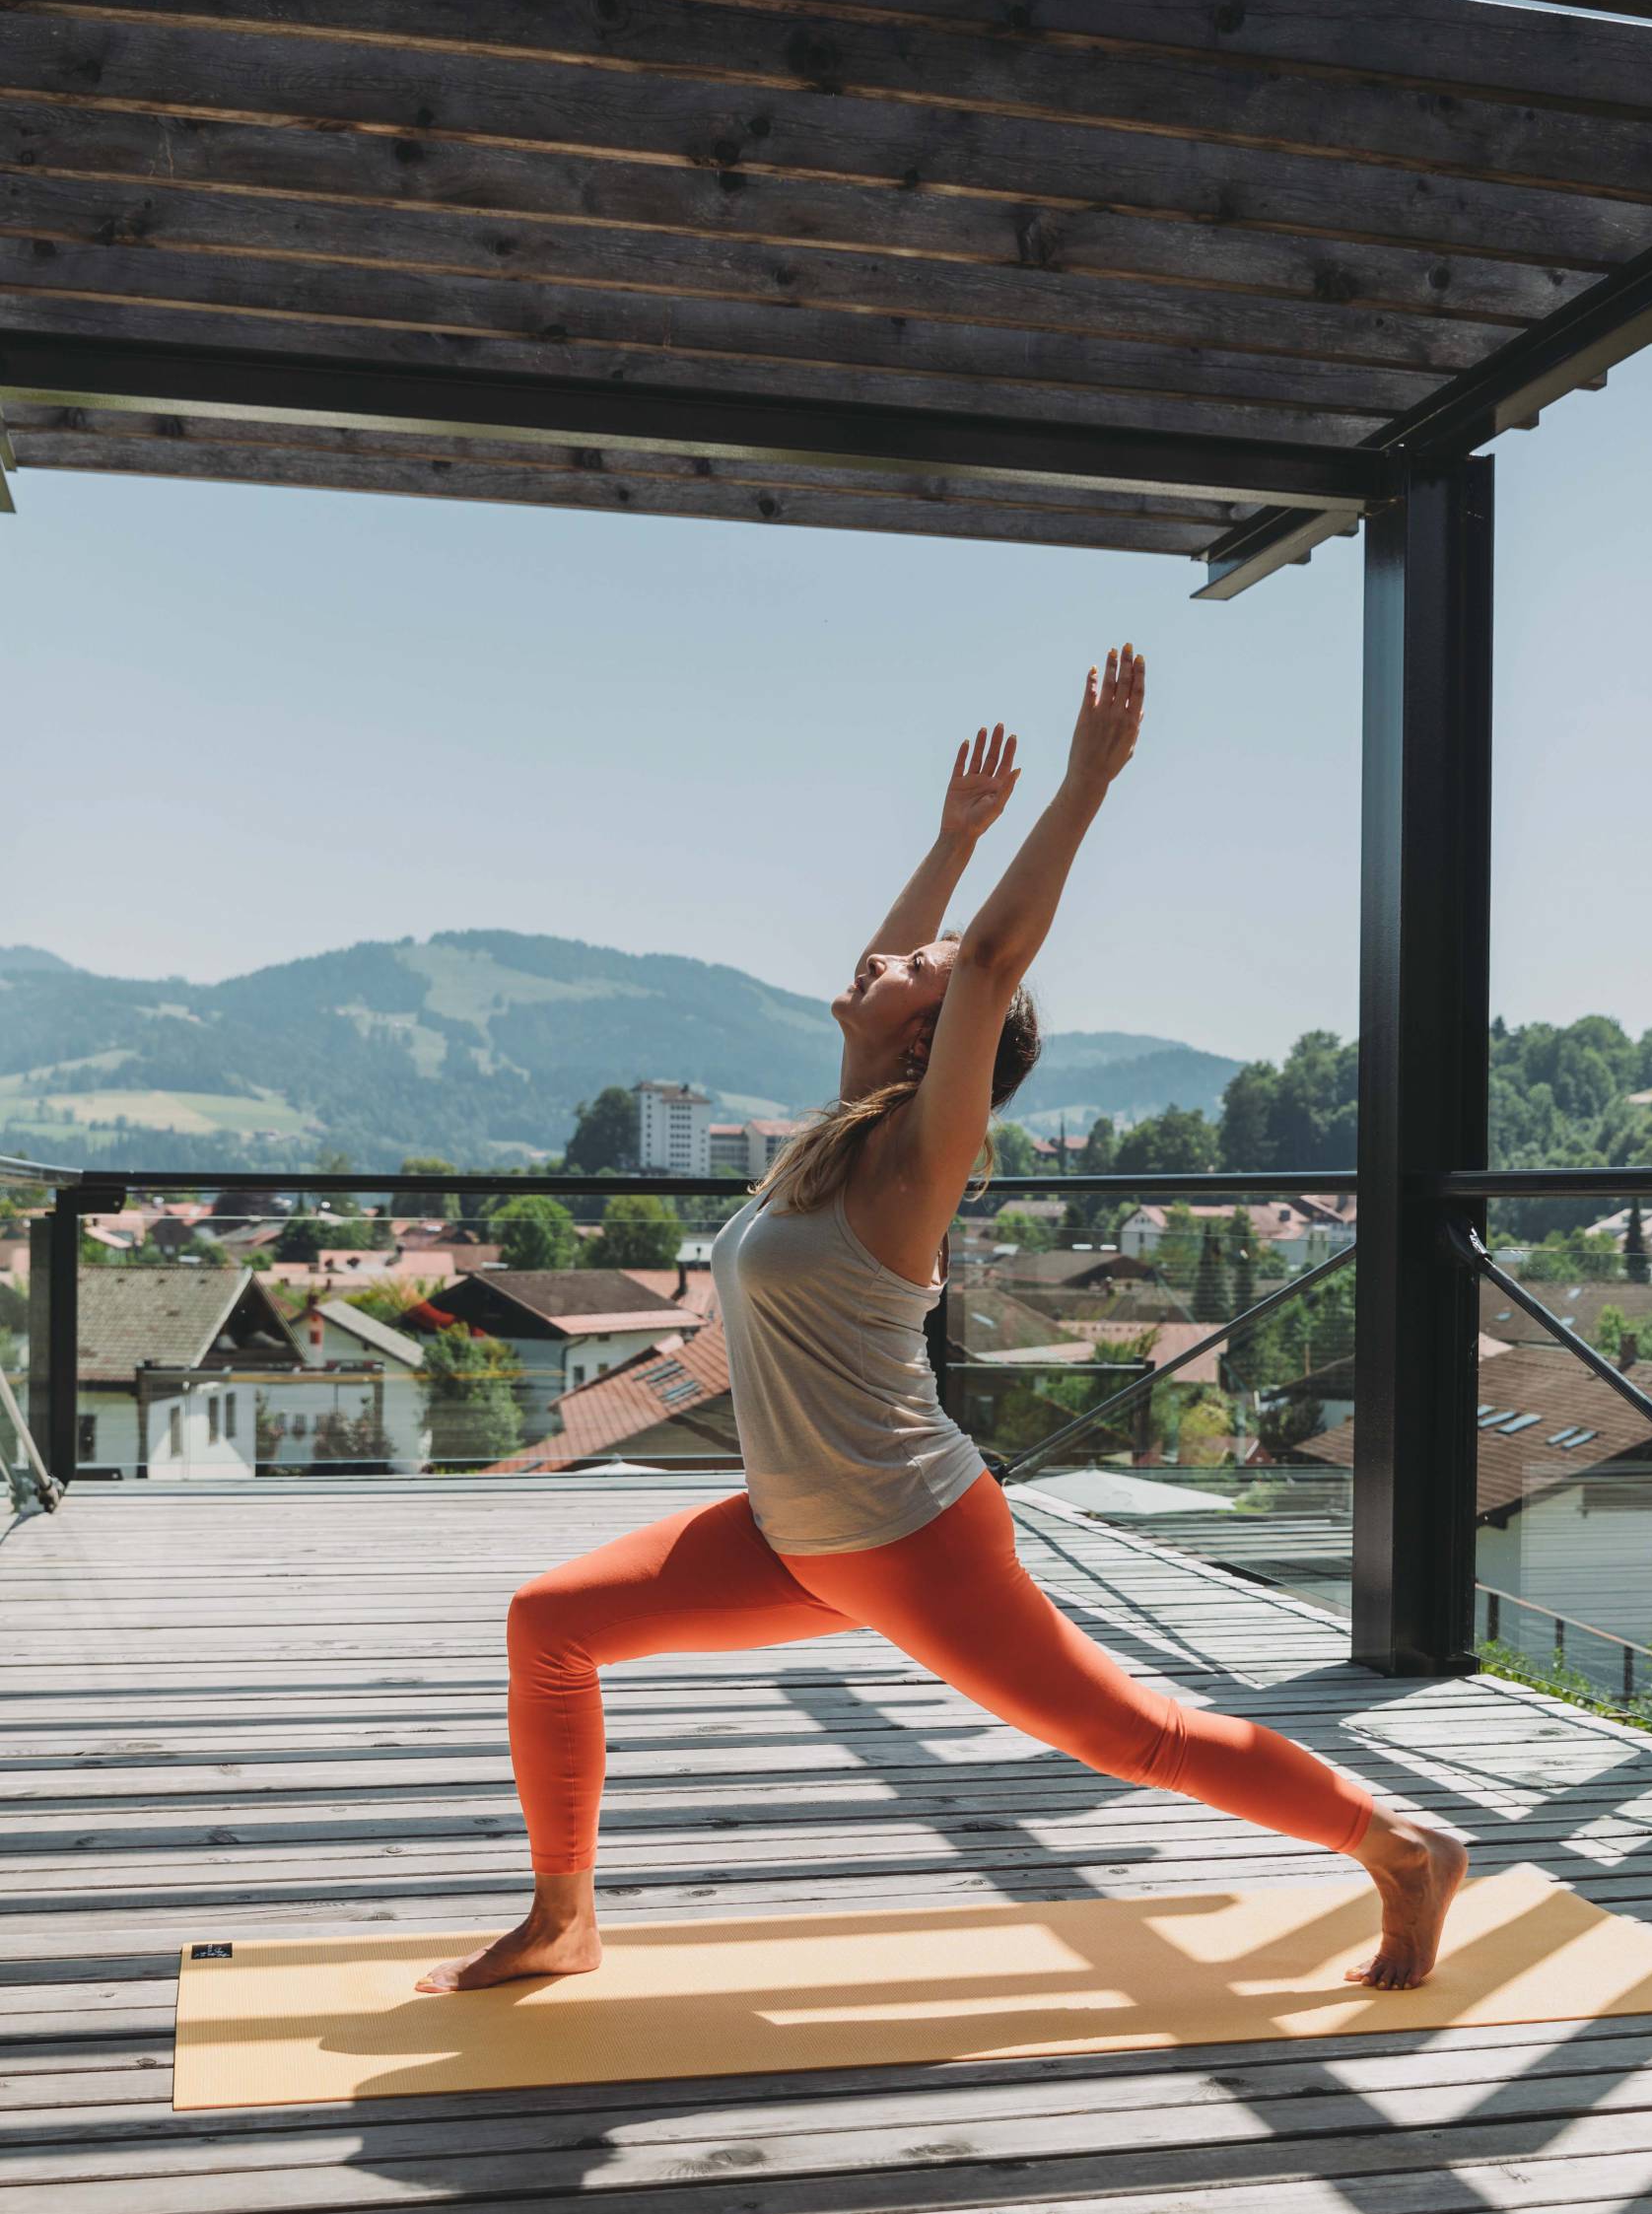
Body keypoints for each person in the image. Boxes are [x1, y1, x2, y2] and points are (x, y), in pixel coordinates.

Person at [421, 645, 1466, 1997]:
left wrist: (1086, 784)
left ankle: (1401, 1848)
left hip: (912, 1536)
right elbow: (893, 977)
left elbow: (987, 962)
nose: (886, 958)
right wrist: (951, 838)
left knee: (1131, 1736)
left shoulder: (918, 1160)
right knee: (549, 1625)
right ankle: (563, 1921)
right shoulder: (837, 1138)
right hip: (797, 1536)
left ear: (936, 1042)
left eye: (918, 967)